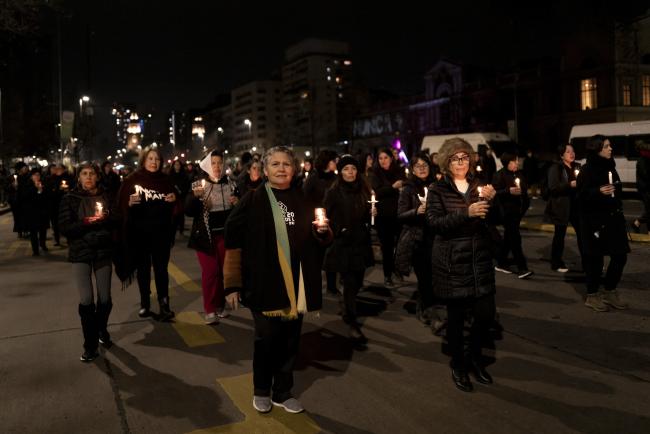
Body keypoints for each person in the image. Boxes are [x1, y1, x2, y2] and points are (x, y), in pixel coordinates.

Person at [223, 146, 332, 414]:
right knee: (267, 338)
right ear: (265, 170)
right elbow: (233, 241)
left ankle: (282, 391)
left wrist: (323, 232)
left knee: (290, 339)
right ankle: (261, 389)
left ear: (294, 169)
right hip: (263, 283)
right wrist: (232, 284)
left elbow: (317, 240)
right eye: (275, 164)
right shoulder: (253, 199)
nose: (281, 168)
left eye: (286, 164)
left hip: (296, 284)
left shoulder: (304, 199)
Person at [427, 137, 497, 393]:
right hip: (453, 261)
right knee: (456, 319)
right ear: (447, 162)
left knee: (485, 314)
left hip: (478, 260)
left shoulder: (478, 185)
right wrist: (465, 213)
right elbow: (434, 223)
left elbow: (493, 220)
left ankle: (475, 359)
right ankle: (459, 364)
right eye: (455, 158)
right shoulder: (438, 189)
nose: (461, 162)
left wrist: (493, 200)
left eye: (464, 157)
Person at [59, 162, 116, 362]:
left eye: (92, 173)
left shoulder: (106, 196)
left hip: (102, 252)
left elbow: (115, 220)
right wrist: (85, 224)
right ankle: (89, 344)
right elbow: (65, 227)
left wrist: (106, 220)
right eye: (84, 173)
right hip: (81, 253)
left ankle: (101, 328)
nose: (88, 177)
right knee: (86, 300)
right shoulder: (70, 199)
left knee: (105, 299)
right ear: (79, 177)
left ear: (97, 177)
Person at [116, 146, 178, 320]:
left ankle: (164, 304)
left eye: (157, 159)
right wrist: (129, 203)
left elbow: (178, 202)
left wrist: (174, 200)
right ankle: (145, 303)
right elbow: (119, 205)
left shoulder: (166, 180)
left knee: (161, 269)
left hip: (161, 233)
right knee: (143, 270)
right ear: (143, 160)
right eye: (150, 159)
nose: (154, 162)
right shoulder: (132, 180)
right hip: (140, 234)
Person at [322, 154, 375, 344]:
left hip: (361, 242)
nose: (350, 172)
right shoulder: (334, 192)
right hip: (344, 243)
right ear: (340, 172)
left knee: (358, 281)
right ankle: (353, 322)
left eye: (352, 169)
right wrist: (339, 229)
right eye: (346, 169)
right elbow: (325, 215)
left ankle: (346, 302)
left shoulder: (364, 189)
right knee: (351, 283)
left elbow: (370, 216)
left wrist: (372, 214)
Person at [576, 135, 629, 312]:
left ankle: (609, 290)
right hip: (595, 223)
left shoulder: (610, 166)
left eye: (610, 146)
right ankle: (592, 295)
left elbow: (618, 187)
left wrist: (616, 188)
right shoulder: (587, 170)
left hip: (613, 219)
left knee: (620, 255)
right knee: (595, 260)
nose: (610, 149)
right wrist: (598, 191)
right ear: (597, 149)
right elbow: (581, 197)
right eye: (606, 146)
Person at [186, 150, 238, 324]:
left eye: (220, 163)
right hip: (204, 237)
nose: (217, 166)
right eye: (213, 163)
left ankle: (220, 306)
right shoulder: (199, 185)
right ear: (207, 165)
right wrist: (197, 199)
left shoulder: (230, 184)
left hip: (224, 235)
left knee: (223, 272)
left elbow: (238, 209)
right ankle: (209, 309)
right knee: (210, 272)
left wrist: (236, 203)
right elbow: (189, 210)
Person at [395, 153, 436, 325]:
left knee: (435, 276)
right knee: (424, 277)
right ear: (412, 169)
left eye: (424, 165)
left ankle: (430, 304)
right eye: (417, 166)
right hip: (417, 239)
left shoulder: (437, 186)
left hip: (435, 237)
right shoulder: (408, 188)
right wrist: (416, 211)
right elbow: (400, 215)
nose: (421, 168)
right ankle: (425, 309)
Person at [303, 149, 339, 294]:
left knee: (332, 255)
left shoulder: (335, 179)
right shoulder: (314, 178)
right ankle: (313, 286)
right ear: (327, 162)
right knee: (316, 256)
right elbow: (304, 198)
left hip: (332, 221)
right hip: (315, 222)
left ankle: (331, 286)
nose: (336, 164)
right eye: (334, 161)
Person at [368, 147, 405, 287]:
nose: (383, 161)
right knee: (387, 246)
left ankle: (397, 268)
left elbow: (405, 184)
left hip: (399, 214)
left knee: (400, 244)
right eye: (380, 158)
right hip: (383, 216)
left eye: (386, 157)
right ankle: (387, 275)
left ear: (391, 158)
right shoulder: (375, 173)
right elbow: (376, 192)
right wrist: (393, 187)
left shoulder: (398, 171)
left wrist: (401, 187)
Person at [493, 152, 533, 279]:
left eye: (517, 160)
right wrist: (508, 191)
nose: (518, 163)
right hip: (505, 213)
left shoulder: (519, 174)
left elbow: (525, 190)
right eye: (514, 161)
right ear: (507, 163)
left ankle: (501, 262)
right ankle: (522, 268)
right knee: (515, 239)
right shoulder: (499, 175)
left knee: (508, 239)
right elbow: (494, 194)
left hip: (517, 213)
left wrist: (523, 193)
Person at [544, 144, 583, 272]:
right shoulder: (556, 168)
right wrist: (569, 184)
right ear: (561, 155)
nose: (571, 154)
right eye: (568, 152)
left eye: (573, 151)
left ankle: (588, 261)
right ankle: (556, 263)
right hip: (561, 207)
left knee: (583, 235)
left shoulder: (578, 166)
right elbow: (553, 188)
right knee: (559, 235)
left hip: (576, 206)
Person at [23, 168, 51, 256]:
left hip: (42, 211)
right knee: (33, 232)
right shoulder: (27, 185)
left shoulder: (44, 183)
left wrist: (41, 190)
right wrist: (35, 188)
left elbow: (47, 196)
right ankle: (35, 250)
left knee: (43, 230)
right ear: (31, 176)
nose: (37, 177)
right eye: (35, 175)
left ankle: (43, 244)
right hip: (32, 212)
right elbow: (25, 196)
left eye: (38, 175)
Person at [169, 160, 191, 240]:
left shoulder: (184, 175)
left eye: (178, 164)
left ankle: (181, 230)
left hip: (181, 198)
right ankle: (173, 232)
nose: (177, 166)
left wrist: (182, 191)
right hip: (172, 198)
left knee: (181, 214)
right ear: (173, 166)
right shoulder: (170, 175)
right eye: (176, 164)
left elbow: (187, 185)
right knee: (173, 215)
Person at [633, 140, 650, 233]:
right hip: (645, 188)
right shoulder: (642, 161)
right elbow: (646, 175)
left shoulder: (646, 159)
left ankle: (637, 222)